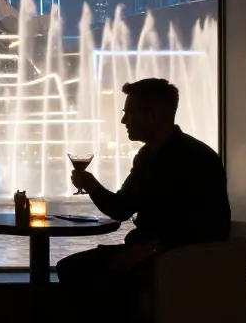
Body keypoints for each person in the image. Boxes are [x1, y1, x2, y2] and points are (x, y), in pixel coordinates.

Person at [58, 78, 229, 323]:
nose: (123, 121)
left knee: (83, 273)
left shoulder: (197, 159)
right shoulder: (147, 156)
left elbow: (210, 225)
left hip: (178, 262)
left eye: (129, 113)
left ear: (153, 115)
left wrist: (151, 248)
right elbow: (121, 208)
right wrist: (90, 184)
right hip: (149, 253)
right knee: (71, 268)